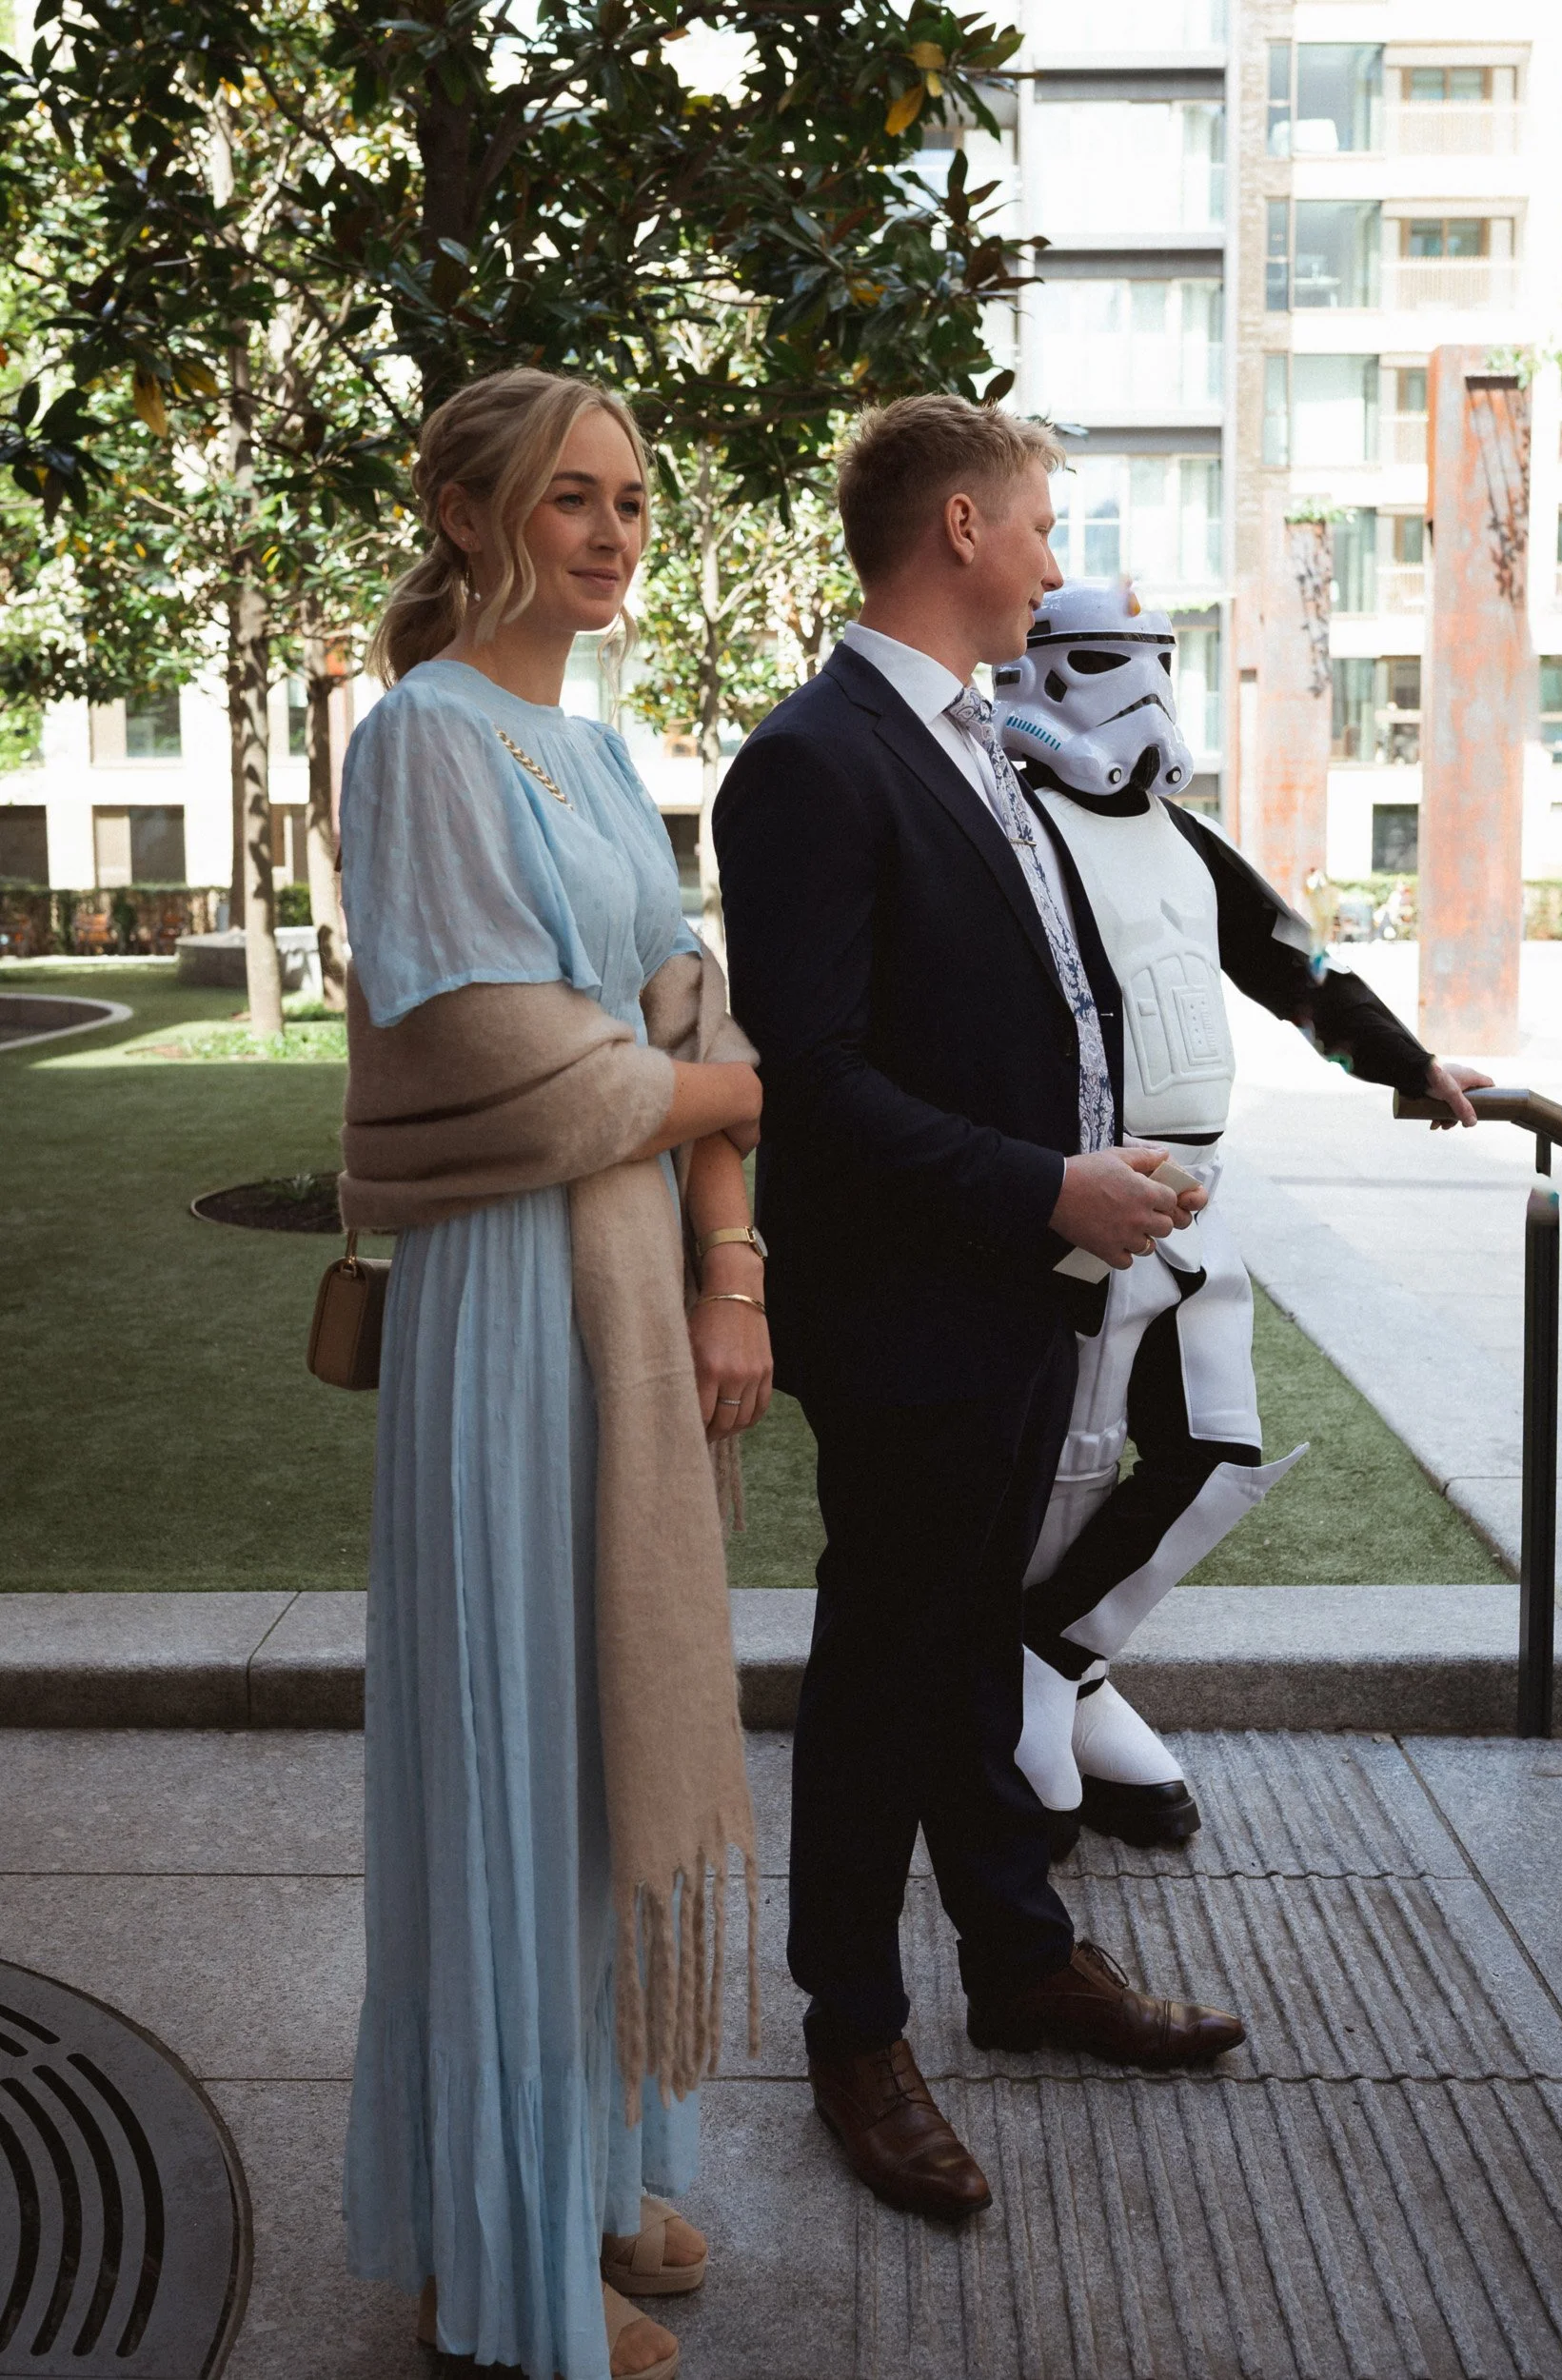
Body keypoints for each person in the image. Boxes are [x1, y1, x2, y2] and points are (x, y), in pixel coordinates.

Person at [714, 393, 1245, 2227]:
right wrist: (1049, 1183)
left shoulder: (977, 742)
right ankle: (851, 2030)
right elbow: (819, 1076)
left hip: (1018, 1289)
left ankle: (1017, 1963)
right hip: (907, 1311)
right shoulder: (812, 758)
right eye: (1035, 526)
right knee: (886, 1668)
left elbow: (1037, 1005)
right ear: (954, 526)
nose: (1050, 558)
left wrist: (1104, 1162)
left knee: (967, 1645)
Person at [336, 367, 769, 2380]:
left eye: (627, 501)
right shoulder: (420, 736)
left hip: (622, 1289)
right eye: (568, 498)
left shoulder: (594, 757)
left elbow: (675, 1007)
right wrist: (714, 1080)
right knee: (512, 1762)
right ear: (463, 506)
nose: (607, 532)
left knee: (603, 1756)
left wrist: (729, 1263)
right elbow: (511, 1059)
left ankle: (596, 2164)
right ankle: (498, 2255)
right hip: (506, 1307)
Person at [993, 579, 1494, 1854]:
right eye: (1115, 660)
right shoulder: (1001, 822)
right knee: (1068, 1466)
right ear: (1038, 670)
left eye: (1162, 660)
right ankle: (1042, 1692)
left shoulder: (1177, 836)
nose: (1147, 689)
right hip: (1078, 1193)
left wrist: (1406, 1064)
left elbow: (1294, 969)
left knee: (1212, 1452)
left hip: (1197, 1192)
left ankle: (1052, 1662)